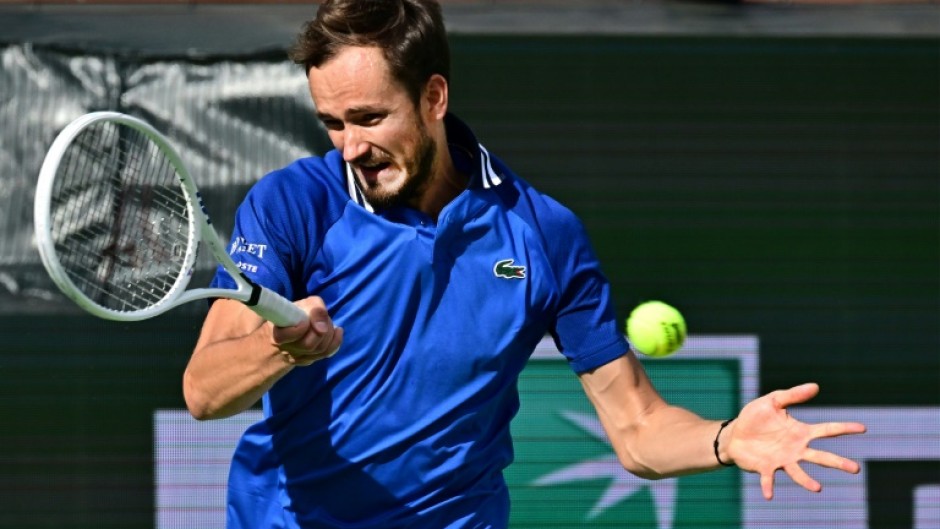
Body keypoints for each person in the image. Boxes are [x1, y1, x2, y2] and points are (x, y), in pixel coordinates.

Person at [182, 1, 867, 527]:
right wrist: (281, 348)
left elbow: (637, 431)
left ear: (434, 98)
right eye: (332, 122)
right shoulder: (291, 204)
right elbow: (205, 391)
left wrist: (725, 438)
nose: (350, 145)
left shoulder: (543, 235)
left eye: (368, 117)